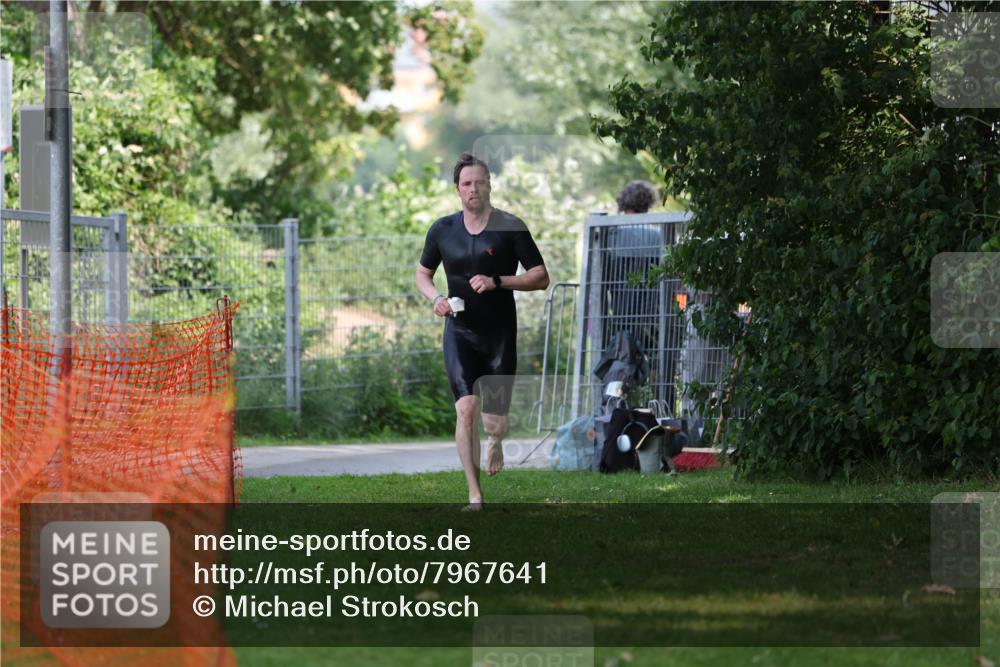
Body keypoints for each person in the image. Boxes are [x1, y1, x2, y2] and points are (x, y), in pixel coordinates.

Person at [415, 153, 549, 509]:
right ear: (457, 189)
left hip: (499, 334)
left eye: (479, 182)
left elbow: (540, 277)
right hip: (459, 332)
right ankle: (475, 495)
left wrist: (497, 281)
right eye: (466, 183)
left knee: (494, 423)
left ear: (490, 185)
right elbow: (423, 274)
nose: (473, 189)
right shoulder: (442, 230)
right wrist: (436, 298)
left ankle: (496, 442)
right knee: (466, 410)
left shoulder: (511, 227)